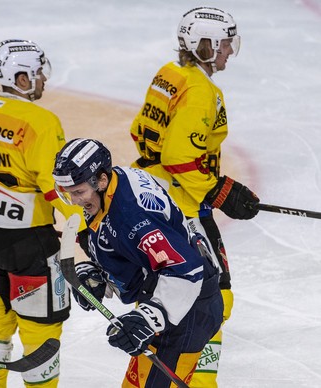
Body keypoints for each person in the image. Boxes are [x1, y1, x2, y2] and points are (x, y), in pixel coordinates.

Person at [128, 6, 260, 386]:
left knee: (161, 291)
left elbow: (141, 131)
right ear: (205, 45)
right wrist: (218, 190)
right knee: (215, 297)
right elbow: (179, 156)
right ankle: (198, 382)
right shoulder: (202, 91)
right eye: (223, 45)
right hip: (182, 208)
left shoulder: (170, 74)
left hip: (149, 197)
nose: (229, 53)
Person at [0, 39, 87, 387]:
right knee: (40, 328)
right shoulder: (42, 121)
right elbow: (53, 184)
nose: (43, 79)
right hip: (28, 241)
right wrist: (84, 220)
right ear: (22, 77)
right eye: (38, 73)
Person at [52, 138, 224, 387]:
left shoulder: (133, 218)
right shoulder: (115, 181)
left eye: (79, 192)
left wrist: (149, 318)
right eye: (67, 193)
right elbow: (136, 251)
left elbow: (186, 270)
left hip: (186, 310)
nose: (75, 201)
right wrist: (101, 274)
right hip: (168, 296)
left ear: (100, 180)